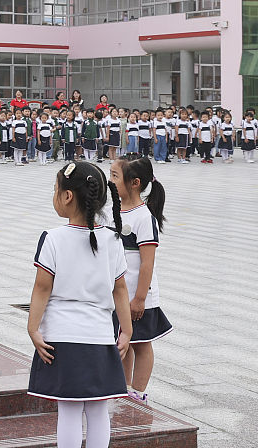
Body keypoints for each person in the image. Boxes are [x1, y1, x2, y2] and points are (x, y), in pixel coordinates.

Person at [27, 160, 131, 448]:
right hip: (99, 336)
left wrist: (33, 328)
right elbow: (120, 289)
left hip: (62, 335)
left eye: (56, 189)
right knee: (98, 409)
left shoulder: (53, 238)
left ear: (68, 196)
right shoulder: (112, 238)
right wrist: (126, 331)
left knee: (69, 409)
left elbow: (42, 287)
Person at [110, 156, 172, 404]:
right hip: (118, 291)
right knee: (124, 338)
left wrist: (140, 298)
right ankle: (123, 387)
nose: (110, 181)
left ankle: (138, 391)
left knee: (141, 343)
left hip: (137, 293)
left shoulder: (144, 217)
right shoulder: (114, 208)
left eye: (115, 176)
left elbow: (147, 262)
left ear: (134, 183)